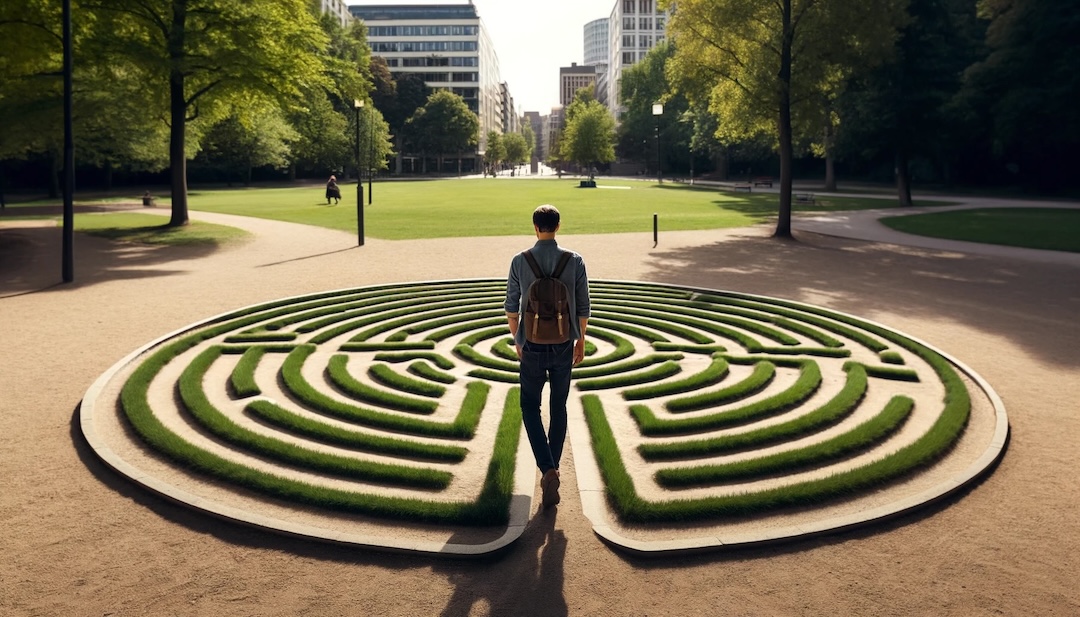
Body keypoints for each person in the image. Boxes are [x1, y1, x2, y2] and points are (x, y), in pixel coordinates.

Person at [505, 204, 590, 509]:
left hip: (532, 345)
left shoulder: (520, 260)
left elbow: (511, 307)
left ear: (534, 226)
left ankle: (547, 467)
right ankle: (553, 465)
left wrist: (519, 339)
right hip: (564, 343)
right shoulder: (575, 260)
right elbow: (583, 308)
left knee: (529, 404)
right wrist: (580, 342)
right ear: (558, 225)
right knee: (559, 405)